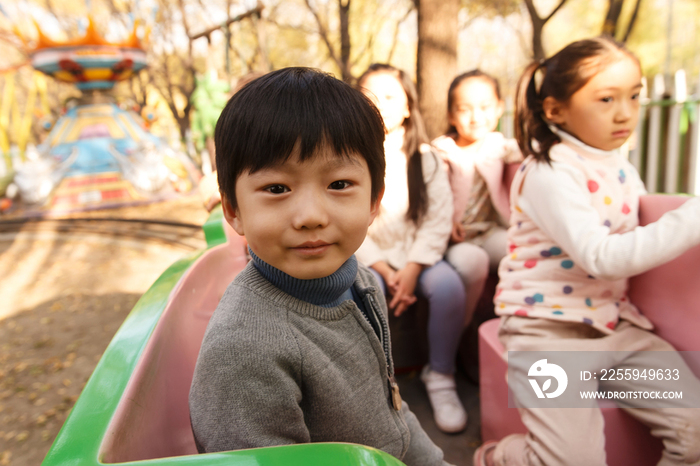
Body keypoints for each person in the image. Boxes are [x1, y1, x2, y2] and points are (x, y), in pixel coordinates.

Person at [189, 67, 451, 466]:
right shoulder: (244, 351)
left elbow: (391, 409)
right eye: (277, 188)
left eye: (339, 184)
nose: (310, 216)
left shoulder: (360, 281)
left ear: (373, 201)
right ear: (233, 210)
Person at [473, 37, 700, 466]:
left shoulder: (620, 165)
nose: (625, 112)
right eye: (606, 99)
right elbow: (601, 256)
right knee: (571, 460)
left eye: (634, 95)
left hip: (618, 327)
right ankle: (497, 457)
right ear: (555, 109)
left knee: (696, 433)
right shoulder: (549, 170)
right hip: (547, 334)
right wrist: (691, 218)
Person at [357, 63, 468, 434]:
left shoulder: (425, 156)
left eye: (390, 96)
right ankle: (378, 385)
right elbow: (350, 222)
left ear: (407, 106)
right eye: (370, 96)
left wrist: (412, 270)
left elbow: (438, 218)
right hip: (372, 258)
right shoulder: (347, 156)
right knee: (363, 289)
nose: (380, 104)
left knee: (449, 286)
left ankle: (441, 376)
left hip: (419, 257)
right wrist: (386, 270)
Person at [432, 70, 522, 327]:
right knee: (472, 262)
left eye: (485, 107)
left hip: (490, 231)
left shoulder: (499, 145)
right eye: (464, 109)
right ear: (451, 114)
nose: (476, 117)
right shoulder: (442, 151)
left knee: (518, 250)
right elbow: (432, 195)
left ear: (499, 109)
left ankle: (517, 320)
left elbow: (530, 150)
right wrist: (445, 224)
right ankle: (462, 328)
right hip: (456, 238)